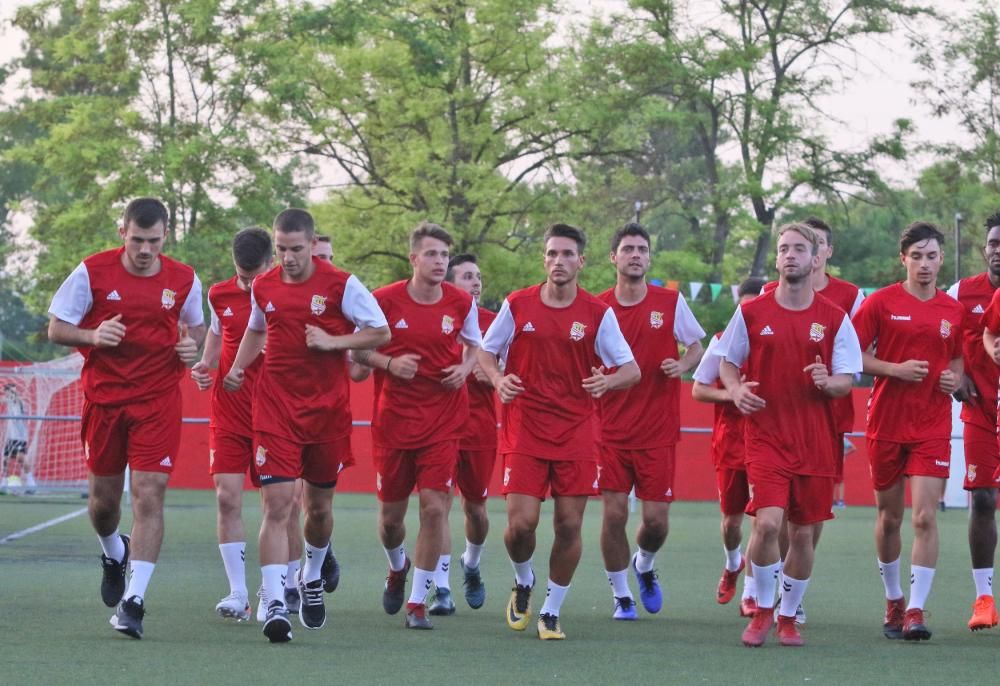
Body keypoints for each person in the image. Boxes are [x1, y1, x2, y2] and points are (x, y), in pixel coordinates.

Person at [223, 208, 389, 643]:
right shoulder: (264, 284)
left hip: (326, 414)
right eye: (280, 249)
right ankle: (275, 600)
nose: (288, 257)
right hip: (275, 411)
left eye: (296, 249)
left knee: (317, 510)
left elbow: (380, 331)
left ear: (312, 245)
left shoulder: (342, 284)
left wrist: (335, 342)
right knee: (278, 506)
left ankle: (312, 576)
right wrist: (239, 367)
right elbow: (257, 330)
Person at [47, 198, 206, 639]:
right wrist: (92, 335)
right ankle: (114, 552)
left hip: (157, 401)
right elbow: (57, 327)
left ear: (165, 237)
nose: (144, 250)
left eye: (153, 241)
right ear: (123, 232)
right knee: (104, 507)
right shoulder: (91, 272)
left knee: (150, 494)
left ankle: (134, 601)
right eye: (137, 240)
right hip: (105, 402)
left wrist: (191, 347)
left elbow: (197, 328)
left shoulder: (184, 278)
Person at [478, 223, 640, 641]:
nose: (558, 261)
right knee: (521, 526)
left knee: (569, 526)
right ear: (544, 259)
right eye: (552, 254)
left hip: (577, 434)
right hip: (526, 430)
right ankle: (523, 579)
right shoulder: (517, 304)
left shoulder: (597, 314)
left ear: (581, 261)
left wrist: (607, 382)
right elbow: (484, 351)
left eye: (567, 254)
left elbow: (631, 369)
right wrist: (497, 380)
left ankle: (551, 609)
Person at [716, 222, 861, 647]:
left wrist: (826, 380)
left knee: (802, 532)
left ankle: (789, 614)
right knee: (767, 524)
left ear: (816, 258)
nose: (791, 255)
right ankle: (761, 610)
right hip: (765, 437)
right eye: (784, 249)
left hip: (815, 439)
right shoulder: (751, 312)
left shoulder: (835, 319)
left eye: (800, 248)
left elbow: (846, 380)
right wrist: (737, 388)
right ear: (777, 259)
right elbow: (727, 361)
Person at [350, 222, 482, 630]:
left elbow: (476, 346)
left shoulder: (461, 302)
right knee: (391, 520)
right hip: (394, 424)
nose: (440, 262)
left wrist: (464, 367)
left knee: (434, 507)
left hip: (444, 422)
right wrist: (389, 363)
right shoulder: (383, 300)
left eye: (444, 255)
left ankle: (418, 602)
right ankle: (396, 567)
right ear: (413, 259)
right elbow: (355, 358)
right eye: (431, 254)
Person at [851, 221, 964, 642]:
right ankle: (894, 598)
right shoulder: (880, 303)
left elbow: (957, 360)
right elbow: (854, 356)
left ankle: (916, 611)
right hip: (886, 423)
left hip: (932, 426)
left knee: (924, 517)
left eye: (932, 256)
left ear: (940, 260)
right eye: (916, 256)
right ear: (903, 259)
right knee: (891, 518)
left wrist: (953, 380)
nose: (925, 264)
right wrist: (893, 369)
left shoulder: (952, 311)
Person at [595, 223, 705, 620]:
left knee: (656, 522)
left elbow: (696, 345)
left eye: (642, 248)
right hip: (607, 430)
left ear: (650, 257)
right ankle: (621, 595)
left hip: (657, 429)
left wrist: (684, 363)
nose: (636, 254)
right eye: (628, 248)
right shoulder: (597, 307)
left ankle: (643, 564)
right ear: (614, 257)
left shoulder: (670, 302)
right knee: (614, 515)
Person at [762, 215, 864, 622]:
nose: (799, 252)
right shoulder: (769, 297)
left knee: (810, 516)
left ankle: (792, 590)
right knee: (774, 515)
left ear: (824, 252)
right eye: (787, 246)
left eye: (810, 245)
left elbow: (855, 354)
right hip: (778, 421)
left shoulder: (848, 297)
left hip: (829, 418)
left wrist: (836, 381)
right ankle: (772, 593)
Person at [192, 227, 282, 621]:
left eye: (254, 275)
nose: (247, 284)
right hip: (228, 410)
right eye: (241, 275)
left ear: (271, 263)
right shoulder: (218, 293)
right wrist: (205, 363)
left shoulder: (283, 294)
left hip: (275, 414)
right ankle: (238, 594)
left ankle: (274, 591)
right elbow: (217, 333)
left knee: (278, 505)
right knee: (227, 497)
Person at [423, 253, 497, 615]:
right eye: (468, 276)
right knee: (439, 506)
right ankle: (441, 589)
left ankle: (471, 563)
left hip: (481, 430)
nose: (477, 282)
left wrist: (496, 375)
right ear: (451, 284)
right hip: (441, 427)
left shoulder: (495, 324)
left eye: (478, 276)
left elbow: (517, 366)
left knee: (477, 510)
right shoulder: (439, 320)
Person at [692, 277, 766, 617]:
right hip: (730, 444)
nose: (749, 313)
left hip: (768, 445)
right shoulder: (722, 341)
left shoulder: (776, 339)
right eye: (744, 306)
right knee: (731, 523)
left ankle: (751, 593)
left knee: (763, 521)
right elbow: (698, 389)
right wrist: (732, 393)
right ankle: (732, 563)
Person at [958, 212, 1000, 630]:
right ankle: (984, 598)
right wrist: (955, 375)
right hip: (982, 410)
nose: (998, 250)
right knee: (984, 499)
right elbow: (938, 335)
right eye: (992, 243)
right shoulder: (962, 292)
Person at [2, 383, 35, 494]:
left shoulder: (19, 402)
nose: (13, 393)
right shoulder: (9, 401)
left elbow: (17, 418)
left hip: (20, 437)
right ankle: (4, 482)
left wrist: (13, 399)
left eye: (14, 391)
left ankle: (31, 483)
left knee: (21, 458)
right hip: (11, 437)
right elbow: (3, 399)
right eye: (11, 391)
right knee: (5, 460)